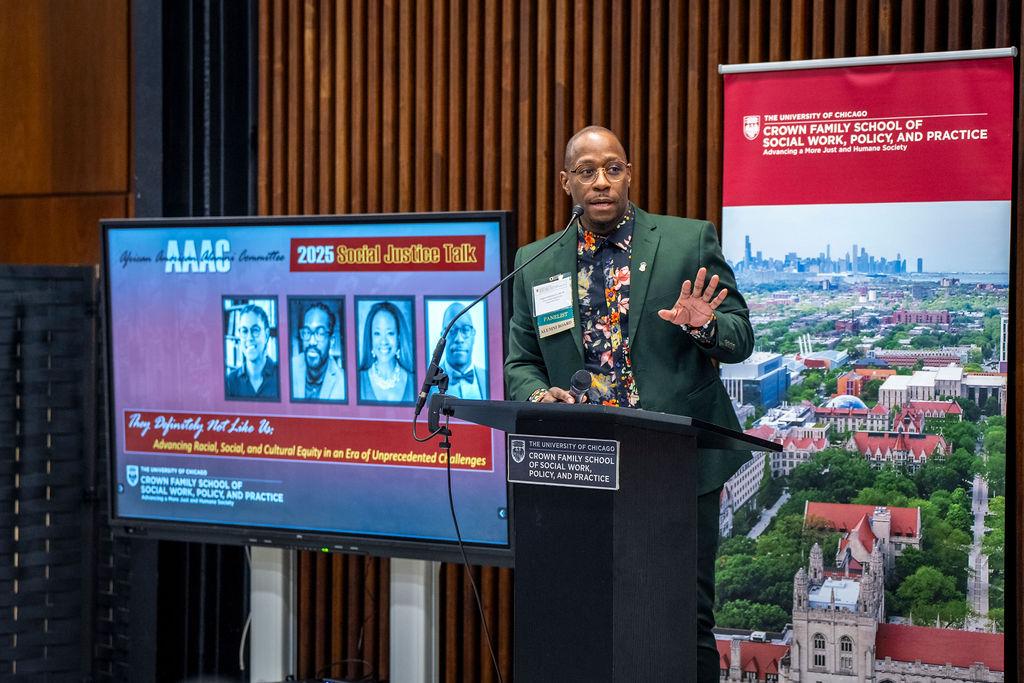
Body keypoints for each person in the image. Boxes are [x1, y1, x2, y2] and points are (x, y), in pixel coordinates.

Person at [504, 125, 754, 675]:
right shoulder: (535, 262)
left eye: (613, 168)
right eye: (587, 171)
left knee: (684, 620)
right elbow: (519, 363)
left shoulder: (688, 242)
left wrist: (708, 327)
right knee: (586, 616)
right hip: (579, 465)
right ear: (566, 181)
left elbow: (741, 337)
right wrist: (537, 393)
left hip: (675, 463)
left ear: (629, 175)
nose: (602, 182)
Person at [357, 301, 415, 403]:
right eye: (377, 333)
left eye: (390, 333)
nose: (383, 341)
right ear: (370, 338)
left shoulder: (415, 381)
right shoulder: (357, 381)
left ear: (399, 337)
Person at [291, 301, 345, 401]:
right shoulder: (289, 369)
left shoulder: (344, 382)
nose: (312, 342)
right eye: (307, 332)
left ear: (332, 341)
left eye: (320, 333)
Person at [225, 303, 280, 400]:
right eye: (244, 331)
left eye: (255, 330)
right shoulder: (230, 381)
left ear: (266, 335)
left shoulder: (282, 376)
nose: (249, 338)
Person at [438, 302, 487, 399]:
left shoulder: (490, 377)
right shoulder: (428, 383)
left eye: (465, 330)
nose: (459, 339)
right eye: (451, 330)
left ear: (473, 334)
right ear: (442, 336)